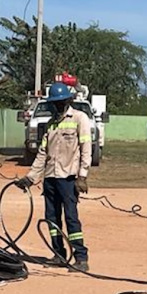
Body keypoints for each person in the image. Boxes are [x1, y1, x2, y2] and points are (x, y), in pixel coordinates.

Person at [15, 82, 92, 272]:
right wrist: (30, 178)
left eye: (60, 102)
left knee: (71, 217)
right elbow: (43, 153)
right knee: (51, 218)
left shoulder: (79, 118)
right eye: (54, 103)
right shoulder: (51, 125)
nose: (57, 106)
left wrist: (82, 175)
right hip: (50, 178)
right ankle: (59, 254)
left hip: (68, 178)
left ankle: (81, 257)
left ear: (67, 101)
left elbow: (86, 149)